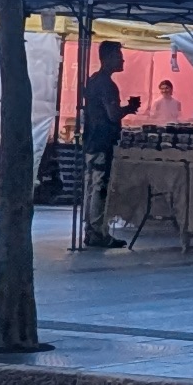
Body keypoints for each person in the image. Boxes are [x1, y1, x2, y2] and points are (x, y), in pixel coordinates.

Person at [75, 40, 138, 249]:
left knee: (91, 185)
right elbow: (113, 114)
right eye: (119, 56)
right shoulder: (107, 85)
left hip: (91, 140)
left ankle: (90, 229)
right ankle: (98, 231)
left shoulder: (93, 80)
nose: (123, 60)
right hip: (103, 141)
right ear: (108, 58)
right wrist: (128, 108)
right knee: (100, 186)